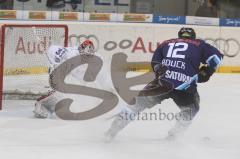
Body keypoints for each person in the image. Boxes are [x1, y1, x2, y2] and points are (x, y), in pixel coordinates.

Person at [105, 27, 223, 141]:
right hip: (185, 86)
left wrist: (162, 75)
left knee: (136, 105)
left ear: (179, 35)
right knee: (191, 109)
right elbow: (217, 58)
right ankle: (174, 136)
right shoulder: (199, 44)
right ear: (193, 37)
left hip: (162, 83)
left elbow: (155, 63)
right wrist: (206, 72)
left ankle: (111, 131)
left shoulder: (165, 43)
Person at [33, 39, 105, 118]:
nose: (89, 55)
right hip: (55, 72)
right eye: (87, 54)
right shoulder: (74, 57)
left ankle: (49, 105)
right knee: (59, 91)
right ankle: (39, 103)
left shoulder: (76, 49)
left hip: (57, 66)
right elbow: (76, 74)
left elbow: (53, 49)